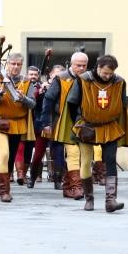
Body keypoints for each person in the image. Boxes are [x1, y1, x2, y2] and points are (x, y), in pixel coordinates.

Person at [66, 55, 128, 213]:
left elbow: (122, 105)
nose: (108, 76)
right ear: (98, 67)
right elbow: (72, 104)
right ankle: (89, 199)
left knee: (110, 160)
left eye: (111, 73)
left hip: (109, 127)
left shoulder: (119, 82)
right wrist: (79, 122)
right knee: (86, 162)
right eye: (105, 73)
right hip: (87, 126)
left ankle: (110, 200)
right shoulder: (83, 80)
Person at [0, 53, 37, 203]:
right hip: (0, 122)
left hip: (17, 123)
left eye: (18, 65)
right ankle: (4, 191)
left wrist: (23, 98)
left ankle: (1, 182)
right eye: (13, 64)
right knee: (3, 154)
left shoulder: (27, 82)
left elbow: (32, 104)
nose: (15, 67)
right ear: (7, 64)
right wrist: (1, 91)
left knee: (10, 157)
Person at [43, 54, 88, 200]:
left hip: (82, 123)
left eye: (84, 65)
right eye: (78, 65)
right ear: (72, 64)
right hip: (63, 121)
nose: (81, 68)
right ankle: (75, 187)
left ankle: (69, 187)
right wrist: (46, 123)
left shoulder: (89, 79)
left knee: (80, 155)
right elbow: (48, 100)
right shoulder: (60, 78)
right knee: (71, 153)